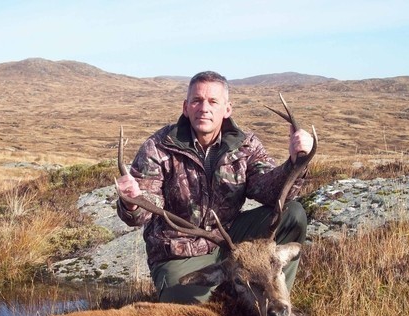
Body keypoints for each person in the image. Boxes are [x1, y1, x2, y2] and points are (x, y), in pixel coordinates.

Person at [116, 71, 314, 303]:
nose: (204, 108)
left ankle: (276, 302)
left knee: (293, 214)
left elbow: (271, 191)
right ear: (186, 107)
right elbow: (142, 211)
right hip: (180, 251)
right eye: (197, 101)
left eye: (213, 102)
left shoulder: (245, 144)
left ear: (227, 109)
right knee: (188, 313)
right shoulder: (158, 147)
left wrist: (295, 163)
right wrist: (131, 202)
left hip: (232, 241)